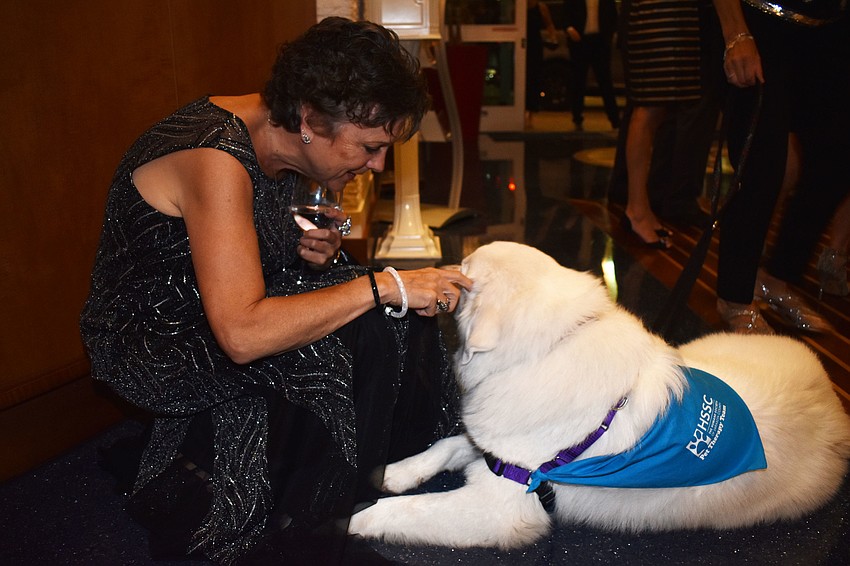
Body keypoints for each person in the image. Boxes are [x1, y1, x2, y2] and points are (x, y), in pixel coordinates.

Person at [80, 17, 472, 564]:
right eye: (370, 147)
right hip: (154, 339)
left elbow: (265, 236)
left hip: (223, 303)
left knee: (392, 311)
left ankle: (364, 465)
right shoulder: (215, 158)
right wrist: (383, 284)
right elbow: (241, 335)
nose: (378, 163)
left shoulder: (288, 139)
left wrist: (316, 243)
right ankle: (279, 489)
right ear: (310, 118)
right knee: (353, 321)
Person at [711, 0, 849, 333]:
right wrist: (735, 31)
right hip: (762, 22)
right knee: (764, 157)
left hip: (831, 29)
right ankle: (734, 295)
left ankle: (777, 277)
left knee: (839, 155)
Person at [621, 0, 704, 248]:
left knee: (657, 108)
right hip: (656, 11)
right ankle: (636, 208)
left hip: (674, 13)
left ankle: (641, 206)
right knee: (648, 105)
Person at [563, 0, 621, 130]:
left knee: (605, 80)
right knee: (579, 80)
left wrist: (608, 35)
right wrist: (570, 29)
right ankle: (577, 116)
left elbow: (612, 16)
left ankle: (614, 118)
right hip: (580, 41)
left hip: (600, 41)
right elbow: (565, 15)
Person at [526, 0, 558, 127]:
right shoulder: (520, 8)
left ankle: (531, 111)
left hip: (535, 45)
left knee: (534, 77)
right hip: (523, 44)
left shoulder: (541, 8)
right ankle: (524, 110)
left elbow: (549, 24)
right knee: (524, 77)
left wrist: (553, 37)